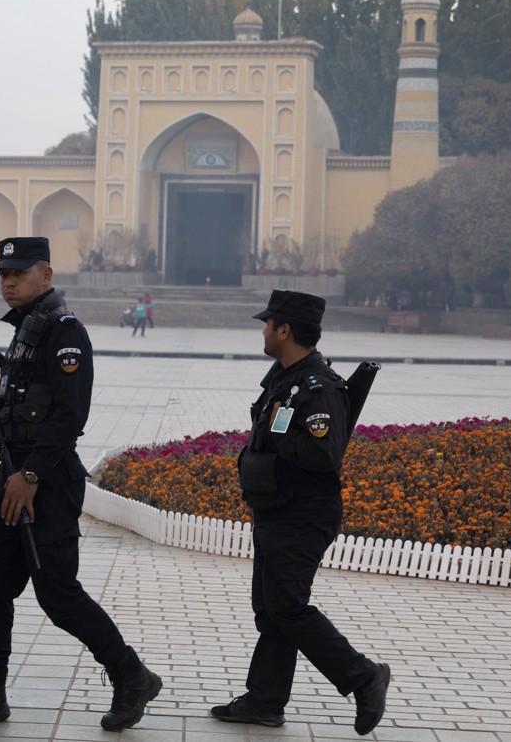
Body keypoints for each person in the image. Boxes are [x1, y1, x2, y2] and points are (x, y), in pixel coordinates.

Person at [0, 236, 162, 731]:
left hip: (45, 482)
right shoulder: (26, 332)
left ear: (47, 275)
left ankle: (132, 675)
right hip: (12, 477)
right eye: (4, 275)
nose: (9, 282)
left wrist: (31, 476)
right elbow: (33, 402)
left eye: (19, 273)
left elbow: (69, 416)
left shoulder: (64, 332)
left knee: (57, 593)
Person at [211, 289, 391, 735]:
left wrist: (280, 433)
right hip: (276, 510)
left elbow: (325, 455)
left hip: (303, 513)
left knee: (288, 607)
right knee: (270, 610)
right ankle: (265, 701)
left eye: (268, 323)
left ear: (285, 330)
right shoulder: (284, 379)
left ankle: (363, 676)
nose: (264, 330)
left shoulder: (318, 387)